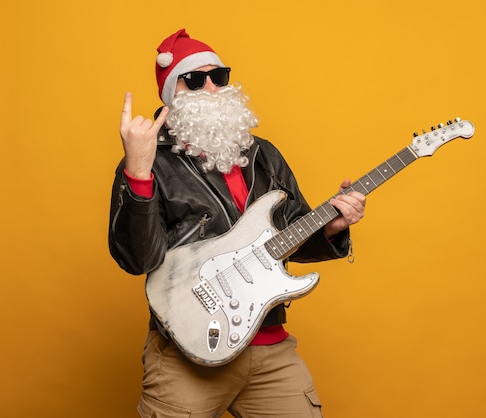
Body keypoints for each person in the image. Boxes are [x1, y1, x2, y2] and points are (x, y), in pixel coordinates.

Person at [108, 28, 366, 418]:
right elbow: (137, 259)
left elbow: (293, 232)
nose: (212, 87)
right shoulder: (149, 164)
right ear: (171, 96)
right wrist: (139, 172)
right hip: (185, 355)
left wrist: (332, 227)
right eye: (195, 79)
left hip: (270, 350)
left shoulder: (265, 155)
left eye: (219, 76)